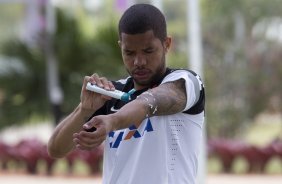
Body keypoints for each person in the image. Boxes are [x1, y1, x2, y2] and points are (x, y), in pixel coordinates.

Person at [48, 3, 205, 184]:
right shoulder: (112, 93)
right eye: (129, 52)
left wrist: (112, 122)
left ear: (167, 44)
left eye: (148, 51)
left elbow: (149, 102)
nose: (139, 61)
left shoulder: (185, 82)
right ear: (120, 47)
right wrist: (84, 110)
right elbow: (56, 149)